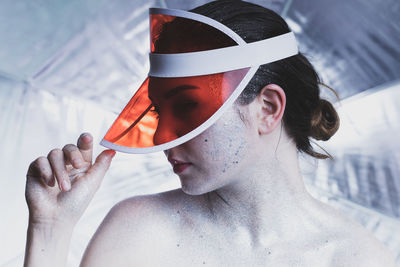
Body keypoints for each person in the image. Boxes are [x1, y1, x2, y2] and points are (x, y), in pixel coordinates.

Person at [24, 1, 396, 266]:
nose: (161, 137)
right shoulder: (138, 232)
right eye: (159, 111)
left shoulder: (359, 259)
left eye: (186, 106)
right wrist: (50, 229)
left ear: (267, 108)